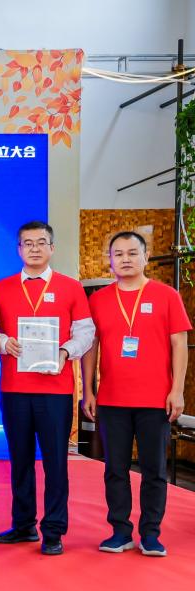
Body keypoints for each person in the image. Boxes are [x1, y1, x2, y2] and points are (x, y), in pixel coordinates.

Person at [82, 231, 190, 557]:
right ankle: (120, 531)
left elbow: (180, 344)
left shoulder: (167, 295)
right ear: (110, 261)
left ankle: (151, 534)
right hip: (112, 400)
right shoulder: (98, 299)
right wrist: (88, 390)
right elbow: (90, 347)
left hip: (156, 401)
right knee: (115, 469)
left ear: (146, 257)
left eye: (132, 253)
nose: (125, 259)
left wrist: (177, 390)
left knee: (154, 470)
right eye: (118, 254)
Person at [0, 221, 94, 555]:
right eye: (27, 243)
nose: (34, 248)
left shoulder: (71, 287)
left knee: (55, 462)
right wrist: (4, 343)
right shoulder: (2, 288)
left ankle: (53, 531)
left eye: (40, 242)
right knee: (20, 460)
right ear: (19, 249)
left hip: (56, 389)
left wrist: (64, 351)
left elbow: (86, 332)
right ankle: (23, 525)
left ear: (52, 248)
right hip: (15, 388)